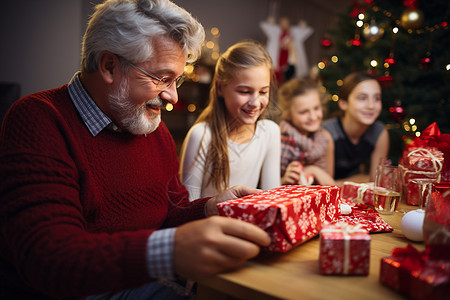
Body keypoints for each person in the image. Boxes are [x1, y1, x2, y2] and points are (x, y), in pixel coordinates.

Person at [0, 1, 271, 299]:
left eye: (176, 80)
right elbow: (50, 257)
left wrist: (209, 208)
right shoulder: (38, 119)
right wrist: (171, 250)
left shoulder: (154, 129)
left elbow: (170, 213)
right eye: (161, 78)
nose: (172, 96)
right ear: (109, 66)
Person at [179, 41, 281, 201]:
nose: (255, 102)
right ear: (220, 88)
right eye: (245, 91)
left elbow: (272, 199)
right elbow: (187, 206)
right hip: (208, 224)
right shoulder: (202, 135)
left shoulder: (270, 132)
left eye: (263, 92)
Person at [322, 72, 389, 184]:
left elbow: (375, 183)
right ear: (343, 103)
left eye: (377, 98)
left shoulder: (379, 132)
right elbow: (326, 188)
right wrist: (359, 180)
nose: (371, 106)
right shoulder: (327, 133)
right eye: (362, 98)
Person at [278, 77, 335, 186]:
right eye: (304, 112)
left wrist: (311, 170)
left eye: (316, 108)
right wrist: (284, 180)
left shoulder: (325, 138)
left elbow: (329, 184)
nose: (313, 116)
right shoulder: (278, 139)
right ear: (288, 114)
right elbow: (267, 187)